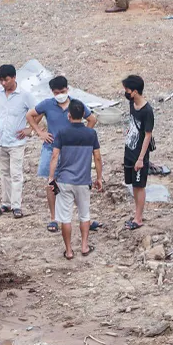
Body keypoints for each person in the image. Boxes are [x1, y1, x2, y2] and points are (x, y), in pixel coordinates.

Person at [26, 76, 96, 232]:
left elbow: (92, 119)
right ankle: (54, 218)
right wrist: (39, 132)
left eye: (62, 91)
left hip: (70, 152)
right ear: (52, 92)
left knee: (75, 184)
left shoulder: (76, 105)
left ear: (67, 89)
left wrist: (84, 137)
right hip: (51, 149)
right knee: (51, 183)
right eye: (57, 92)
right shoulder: (47, 104)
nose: (60, 94)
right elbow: (30, 115)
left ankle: (84, 219)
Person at [48, 100, 103, 260]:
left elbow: (54, 156)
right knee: (84, 214)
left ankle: (69, 250)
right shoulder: (91, 134)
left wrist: (51, 178)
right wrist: (99, 178)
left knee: (65, 217)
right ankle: (85, 246)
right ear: (83, 116)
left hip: (64, 180)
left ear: (69, 115)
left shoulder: (62, 133)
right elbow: (98, 158)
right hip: (83, 180)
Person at [0, 64, 34, 219]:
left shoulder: (24, 95)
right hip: (1, 141)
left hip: (16, 143)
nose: (3, 83)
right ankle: (6, 203)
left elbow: (38, 112)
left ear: (14, 78)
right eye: (1, 80)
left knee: (16, 174)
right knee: (4, 173)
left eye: (6, 80)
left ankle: (17, 206)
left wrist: (29, 129)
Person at [122, 75, 154, 230]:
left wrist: (141, 158)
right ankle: (137, 213)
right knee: (133, 184)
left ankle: (139, 218)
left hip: (139, 153)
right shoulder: (132, 104)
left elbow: (148, 135)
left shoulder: (147, 111)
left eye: (127, 90)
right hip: (129, 148)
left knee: (139, 185)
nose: (126, 93)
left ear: (134, 91)